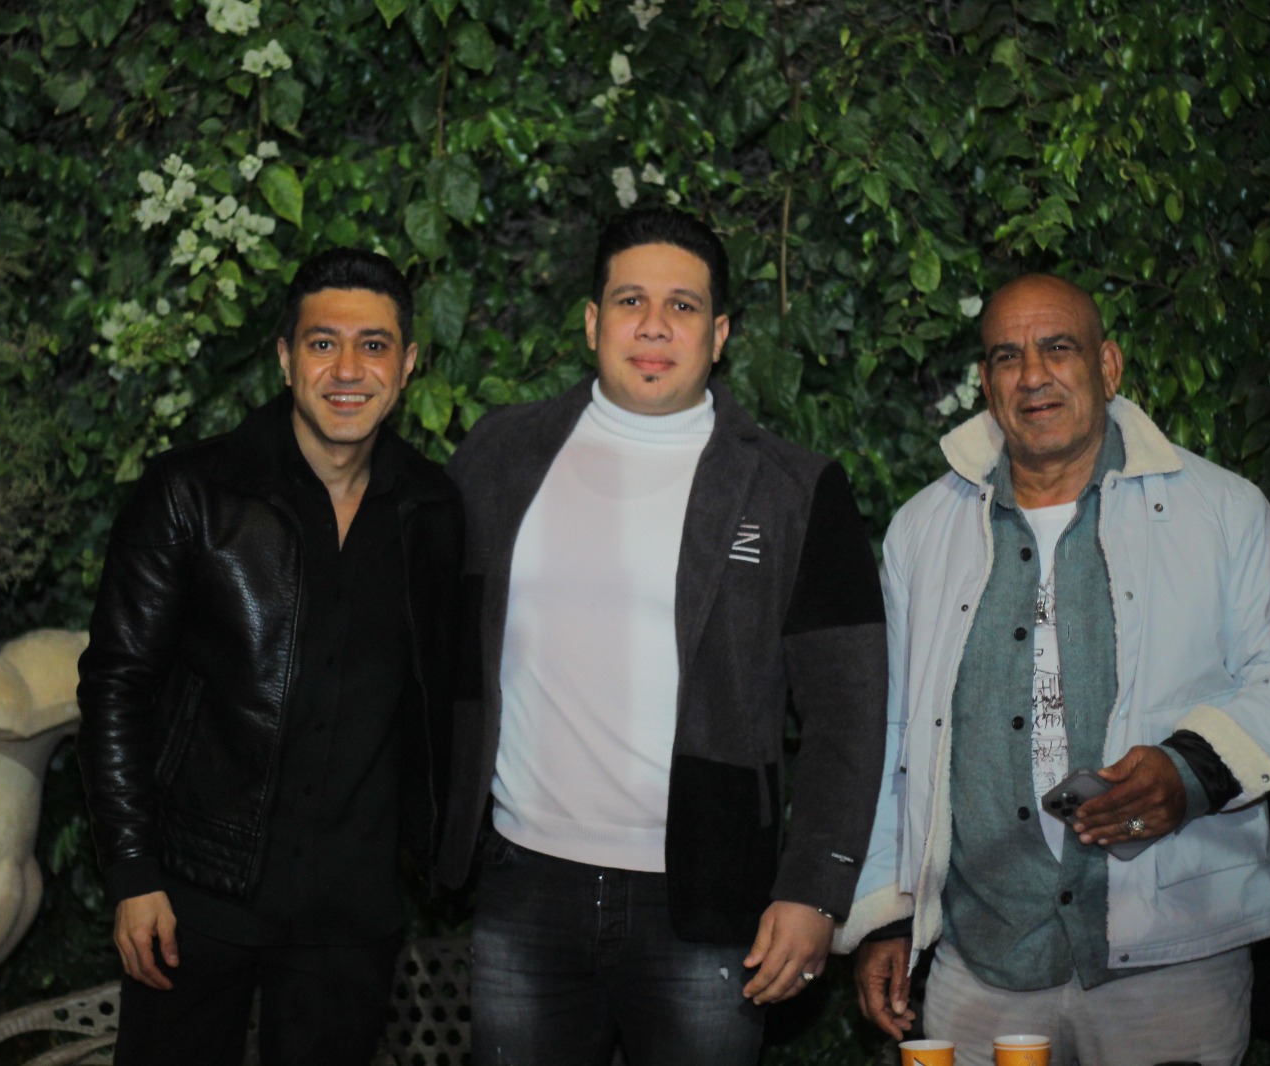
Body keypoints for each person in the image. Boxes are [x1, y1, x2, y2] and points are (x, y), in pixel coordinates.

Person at [840, 273, 1270, 1066]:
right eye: (1007, 357)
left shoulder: (1220, 509)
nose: (1032, 375)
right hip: (983, 963)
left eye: (1057, 348)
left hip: (1172, 964)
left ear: (1108, 366)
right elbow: (892, 733)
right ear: (985, 383)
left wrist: (1191, 772)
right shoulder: (924, 530)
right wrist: (889, 914)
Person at [439, 208, 888, 1065]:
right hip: (523, 886)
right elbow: (436, 649)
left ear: (719, 335)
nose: (653, 325)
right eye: (630, 301)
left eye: (682, 306)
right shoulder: (498, 457)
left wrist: (816, 889)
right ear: (591, 322)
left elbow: (849, 713)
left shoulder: (794, 490)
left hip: (710, 901)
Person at [75, 248, 462, 1065]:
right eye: (323, 344)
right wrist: (134, 869)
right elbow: (116, 686)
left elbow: (443, 698)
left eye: (374, 345)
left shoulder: (431, 509)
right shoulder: (192, 494)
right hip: (195, 896)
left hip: (352, 917)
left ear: (407, 366)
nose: (348, 370)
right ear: (286, 359)